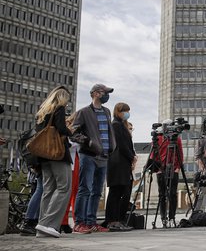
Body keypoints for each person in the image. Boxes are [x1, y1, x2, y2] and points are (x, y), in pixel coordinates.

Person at [72, 83, 116, 234]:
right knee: (85, 189)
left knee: (97, 191)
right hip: (89, 156)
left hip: (104, 156)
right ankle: (79, 223)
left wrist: (112, 147)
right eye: (105, 92)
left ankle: (91, 222)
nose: (107, 96)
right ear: (96, 93)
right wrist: (88, 142)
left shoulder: (107, 111)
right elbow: (73, 133)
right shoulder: (83, 112)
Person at [34, 86, 73, 238]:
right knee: (64, 187)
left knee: (48, 189)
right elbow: (62, 129)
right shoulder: (59, 108)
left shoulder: (42, 112)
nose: (67, 104)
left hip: (43, 155)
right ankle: (49, 224)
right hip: (57, 154)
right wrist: (71, 131)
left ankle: (41, 226)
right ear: (62, 98)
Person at [105, 103, 136, 231]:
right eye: (125, 111)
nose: (127, 113)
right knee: (116, 192)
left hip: (123, 163)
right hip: (118, 163)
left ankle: (119, 219)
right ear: (118, 111)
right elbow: (122, 145)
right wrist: (131, 157)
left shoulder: (122, 125)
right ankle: (113, 220)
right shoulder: (116, 125)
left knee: (122, 192)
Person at [152, 120, 184, 227]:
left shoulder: (176, 139)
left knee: (172, 194)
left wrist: (177, 168)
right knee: (162, 195)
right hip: (161, 168)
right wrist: (157, 169)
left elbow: (180, 154)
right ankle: (163, 218)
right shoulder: (158, 138)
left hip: (173, 168)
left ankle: (172, 217)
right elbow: (153, 155)